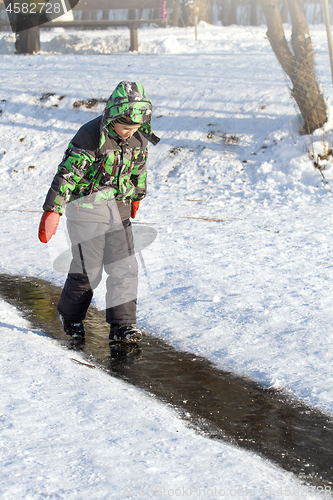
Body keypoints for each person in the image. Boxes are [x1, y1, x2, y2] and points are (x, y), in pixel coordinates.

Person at [38, 81, 160, 342]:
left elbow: (138, 168)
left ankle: (122, 326)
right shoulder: (91, 135)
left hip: (119, 210)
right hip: (85, 211)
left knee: (125, 268)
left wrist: (137, 195)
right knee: (88, 270)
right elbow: (68, 174)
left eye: (135, 128)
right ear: (114, 117)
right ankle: (70, 315)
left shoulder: (138, 137)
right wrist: (53, 210)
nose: (129, 133)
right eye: (125, 127)